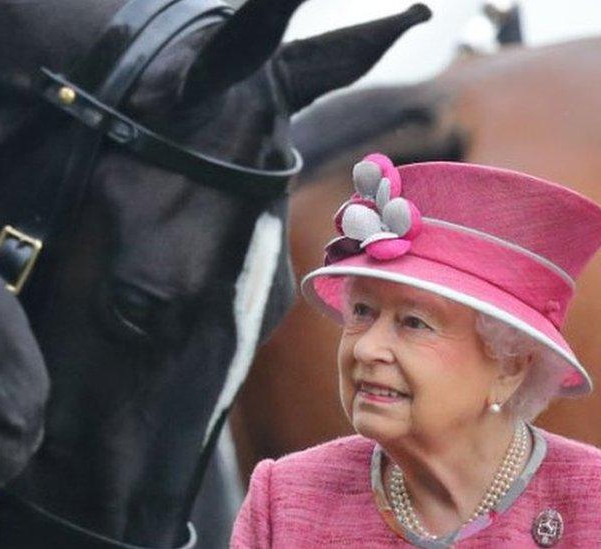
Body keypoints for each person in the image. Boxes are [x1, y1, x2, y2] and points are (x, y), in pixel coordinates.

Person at [231, 154, 601, 548]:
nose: (368, 348)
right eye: (362, 312)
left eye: (414, 322)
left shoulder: (590, 505)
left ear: (509, 367)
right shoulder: (285, 500)